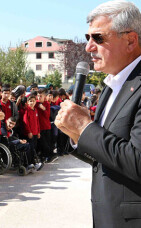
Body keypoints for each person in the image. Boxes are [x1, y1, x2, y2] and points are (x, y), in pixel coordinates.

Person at [55, 1, 141, 227]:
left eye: (99, 38)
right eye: (88, 38)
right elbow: (105, 158)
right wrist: (76, 135)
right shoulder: (112, 86)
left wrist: (85, 128)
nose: (89, 47)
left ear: (131, 40)